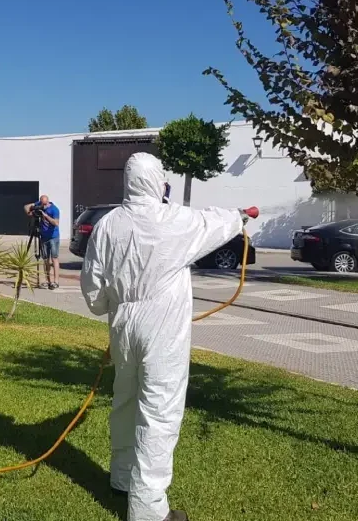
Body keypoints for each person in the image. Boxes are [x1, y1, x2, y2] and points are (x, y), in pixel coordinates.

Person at [79, 152, 253, 521]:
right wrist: (241, 216)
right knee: (159, 411)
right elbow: (214, 222)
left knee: (126, 400)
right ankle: (148, 510)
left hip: (123, 324)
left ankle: (123, 478)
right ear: (159, 181)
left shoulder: (108, 225)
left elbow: (93, 292)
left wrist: (116, 308)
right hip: (162, 327)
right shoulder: (174, 219)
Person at [24, 195, 61, 289]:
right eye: (41, 204)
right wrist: (30, 212)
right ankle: (48, 281)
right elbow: (26, 206)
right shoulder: (39, 205)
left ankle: (55, 281)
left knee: (54, 258)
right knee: (45, 259)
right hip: (43, 237)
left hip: (53, 237)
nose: (42, 206)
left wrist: (46, 216)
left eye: (44, 204)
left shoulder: (54, 209)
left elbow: (56, 223)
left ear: (48, 202)